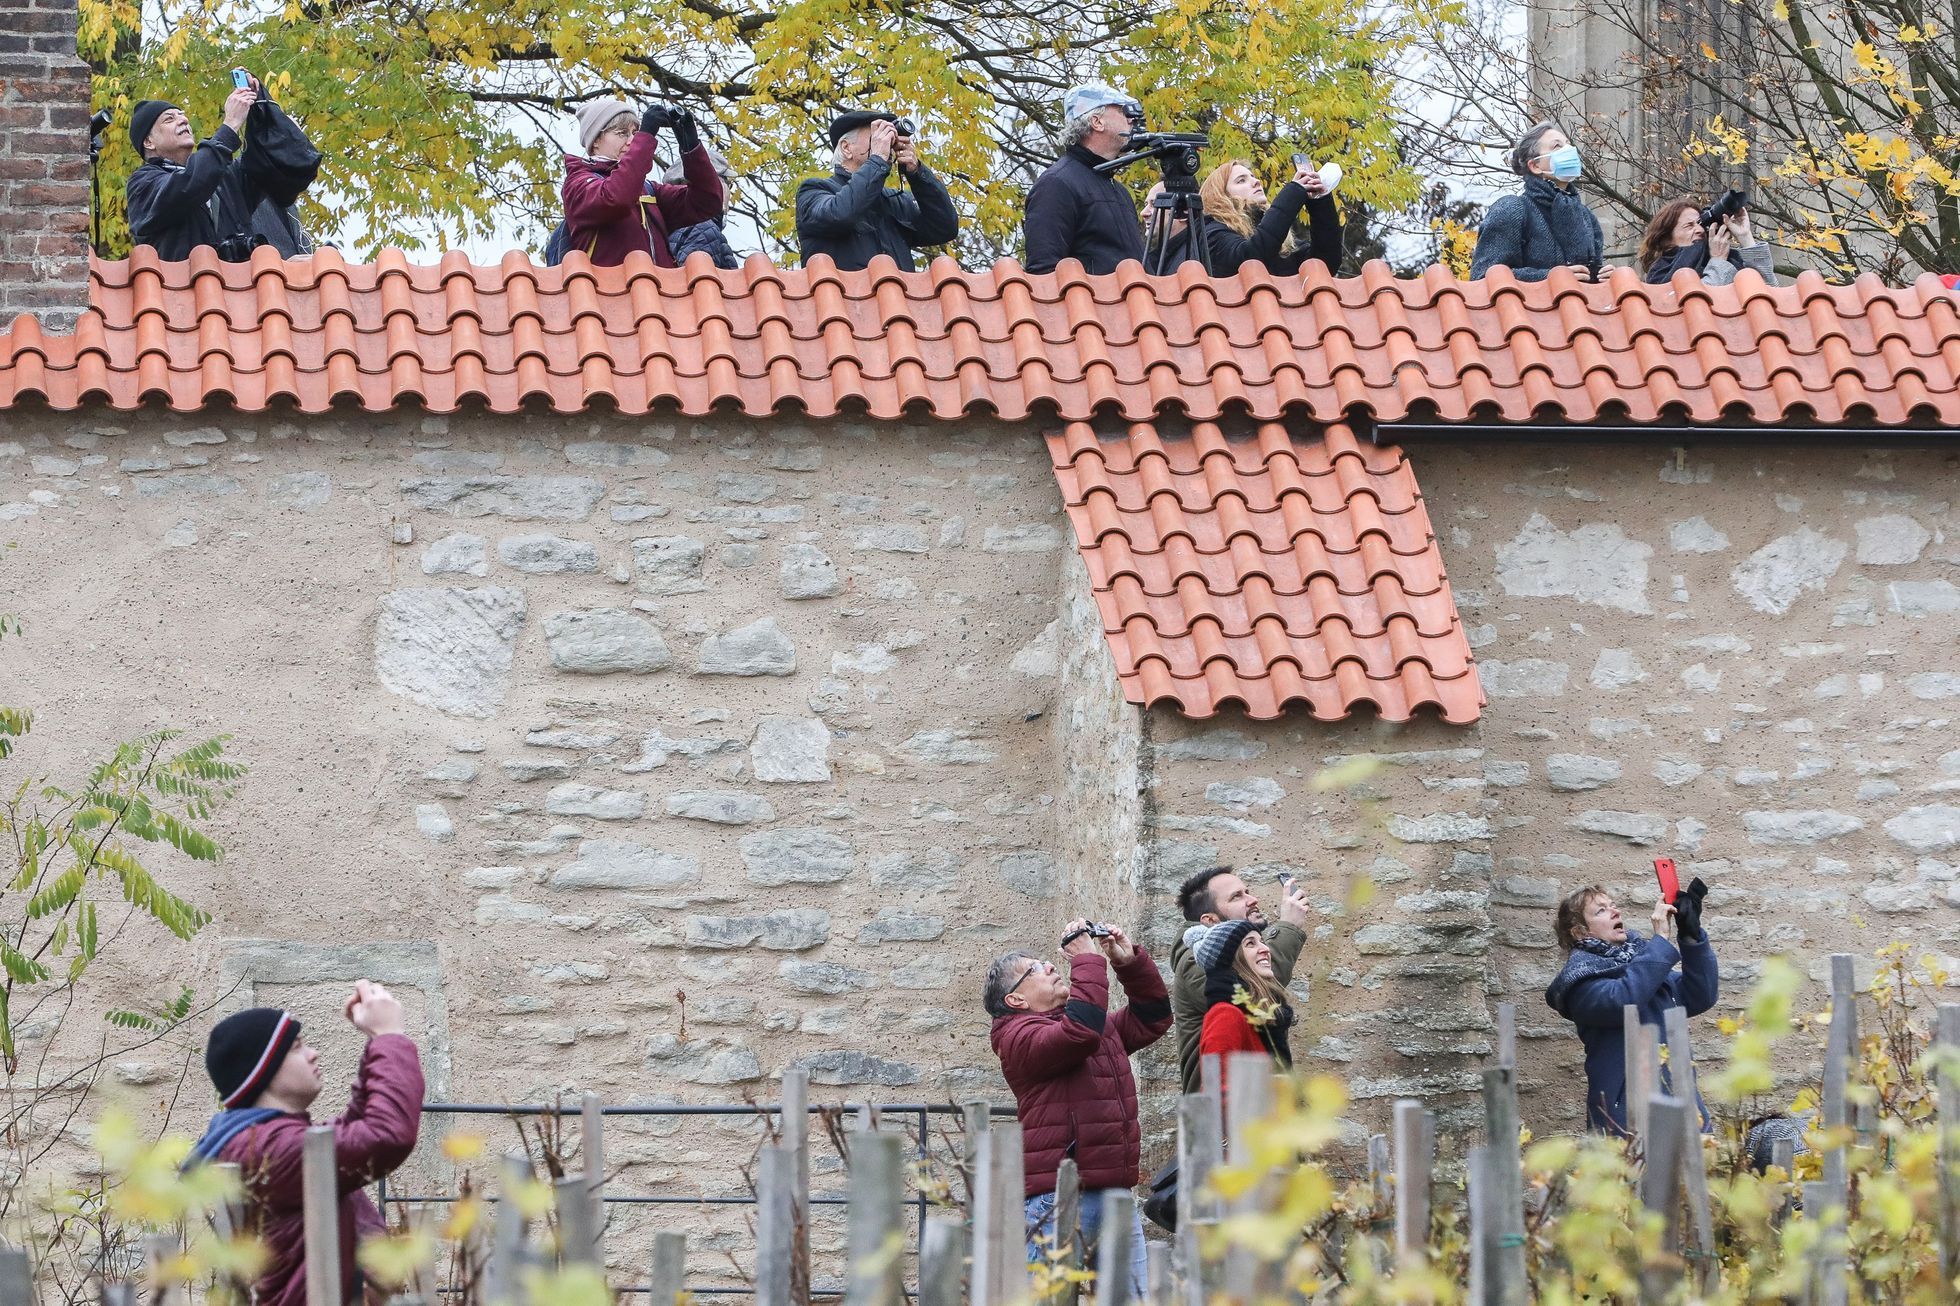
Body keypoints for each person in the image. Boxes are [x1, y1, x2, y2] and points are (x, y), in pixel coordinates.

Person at [188, 982, 425, 1305]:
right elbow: (385, 1135)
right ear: (264, 1070)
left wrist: (375, 1041)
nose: (313, 1053)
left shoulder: (269, 1141)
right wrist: (390, 1036)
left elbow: (353, 1128)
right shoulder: (269, 1150)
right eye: (297, 1047)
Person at [987, 919, 1171, 1293]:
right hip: (1059, 1195)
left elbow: (1153, 1019)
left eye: (1046, 962)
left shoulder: (1088, 1026)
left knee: (1131, 1300)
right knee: (1048, 1301)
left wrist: (1127, 962)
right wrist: (1087, 959)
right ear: (1016, 1000)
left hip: (1115, 1192)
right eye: (1035, 969)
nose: (1050, 966)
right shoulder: (1017, 1037)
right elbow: (1079, 1033)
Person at [1544, 881, 1718, 1134]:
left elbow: (1700, 996)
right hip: (1627, 1118)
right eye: (1601, 910)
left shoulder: (1643, 965)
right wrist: (1660, 939)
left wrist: (1691, 935)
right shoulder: (1581, 983)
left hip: (1682, 1108)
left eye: (1613, 905)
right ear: (1580, 933)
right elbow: (1624, 1000)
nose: (1615, 911)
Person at [126, 73, 322, 261]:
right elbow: (190, 185)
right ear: (149, 142)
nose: (183, 120)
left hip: (236, 284)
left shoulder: (226, 179)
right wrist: (230, 124)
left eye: (182, 115)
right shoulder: (142, 184)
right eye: (169, 119)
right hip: (183, 284)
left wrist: (262, 109)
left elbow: (277, 164)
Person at [1169, 866, 1309, 1094]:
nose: (1253, 900)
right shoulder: (1196, 960)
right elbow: (1252, 990)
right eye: (1237, 896)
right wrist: (1289, 927)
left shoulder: (1233, 955)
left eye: (1247, 892)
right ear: (1210, 920)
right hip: (1227, 1112)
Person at [562, 98, 724, 268]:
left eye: (635, 133)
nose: (632, 140)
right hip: (610, 286)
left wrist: (691, 147)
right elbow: (616, 198)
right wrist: (646, 136)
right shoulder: (578, 184)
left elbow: (707, 203)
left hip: (657, 285)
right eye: (622, 133)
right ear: (595, 140)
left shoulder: (648, 190)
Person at [795, 111, 959, 272]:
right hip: (841, 290)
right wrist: (877, 160)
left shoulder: (895, 201)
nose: (885, 144)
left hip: (897, 290)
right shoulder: (814, 190)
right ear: (846, 148)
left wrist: (917, 173)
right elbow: (839, 215)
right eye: (875, 138)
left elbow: (944, 228)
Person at [1022, 84, 1148, 275]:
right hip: (1087, 295)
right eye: (1122, 112)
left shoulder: (1119, 190)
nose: (1131, 119)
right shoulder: (1056, 184)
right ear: (1097, 122)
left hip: (1130, 294)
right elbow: (1044, 271)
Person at [1469, 121, 1604, 282]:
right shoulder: (1512, 209)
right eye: (1557, 146)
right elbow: (1483, 277)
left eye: (1568, 144)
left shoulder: (1585, 216)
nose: (1568, 150)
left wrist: (1603, 278)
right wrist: (1551, 278)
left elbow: (1585, 279)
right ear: (1534, 166)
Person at [1167, 158, 1342, 275]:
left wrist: (1319, 200)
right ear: (1220, 196)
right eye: (1241, 180)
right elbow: (1250, 259)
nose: (1256, 181)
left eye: (1252, 176)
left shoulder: (1280, 241)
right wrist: (1293, 192)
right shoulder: (1211, 234)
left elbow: (1324, 265)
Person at [1194, 920, 1296, 1107]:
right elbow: (1215, 1095)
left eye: (1262, 941)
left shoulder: (1260, 1015)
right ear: (1231, 960)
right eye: (1250, 943)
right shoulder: (1226, 1015)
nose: (1265, 949)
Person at [1640, 197, 1777, 286]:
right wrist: (1718, 261)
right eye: (1689, 226)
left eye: (1701, 224)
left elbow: (1768, 293)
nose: (1700, 230)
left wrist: (1745, 237)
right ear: (1666, 240)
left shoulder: (1731, 262)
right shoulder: (1660, 276)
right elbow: (1697, 308)